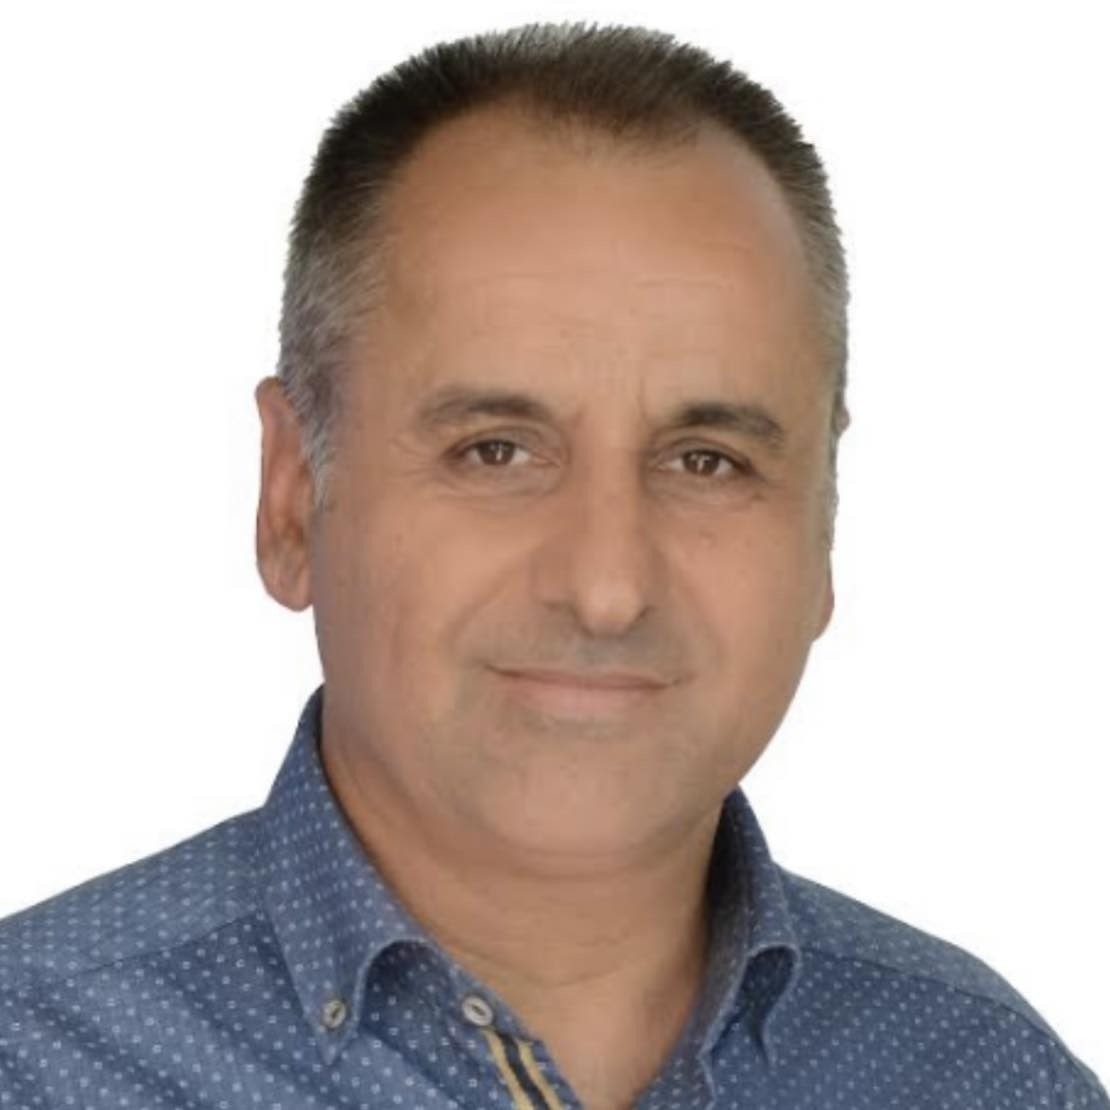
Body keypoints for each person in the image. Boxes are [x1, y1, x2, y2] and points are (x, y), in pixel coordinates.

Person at [1, 19, 1105, 1110]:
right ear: (292, 499)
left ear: (824, 520)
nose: (607, 589)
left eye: (708, 461)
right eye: (496, 451)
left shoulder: (994, 1080)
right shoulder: (33, 1060)